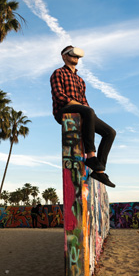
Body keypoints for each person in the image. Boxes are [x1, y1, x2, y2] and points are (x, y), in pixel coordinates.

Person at [50, 45, 116, 188]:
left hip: (83, 111)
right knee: (88, 111)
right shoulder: (58, 73)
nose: (76, 58)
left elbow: (85, 102)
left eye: (77, 56)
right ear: (64, 56)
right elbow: (59, 95)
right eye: (72, 55)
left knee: (110, 132)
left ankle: (99, 169)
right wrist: (85, 109)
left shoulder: (80, 81)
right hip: (64, 111)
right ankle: (91, 156)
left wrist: (91, 116)